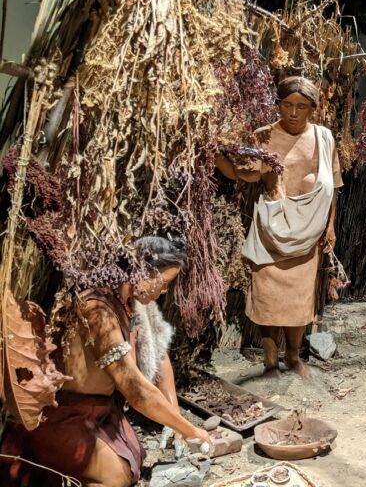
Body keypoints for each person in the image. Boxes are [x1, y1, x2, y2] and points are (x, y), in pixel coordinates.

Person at [0, 236, 211, 487]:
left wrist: (176, 420)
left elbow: (159, 356)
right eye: (163, 283)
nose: (163, 291)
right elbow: (137, 392)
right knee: (115, 477)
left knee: (131, 461)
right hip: (64, 415)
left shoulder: (130, 304)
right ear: (142, 272)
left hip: (100, 411)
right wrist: (191, 431)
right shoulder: (97, 310)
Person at [216, 76, 343, 378]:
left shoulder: (324, 139)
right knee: (266, 298)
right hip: (270, 229)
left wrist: (331, 225)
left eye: (301, 106)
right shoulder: (264, 136)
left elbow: (334, 186)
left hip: (308, 231)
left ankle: (294, 357)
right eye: (287, 105)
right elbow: (241, 174)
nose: (294, 113)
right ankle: (271, 360)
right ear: (279, 104)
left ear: (313, 108)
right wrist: (214, 152)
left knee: (299, 301)